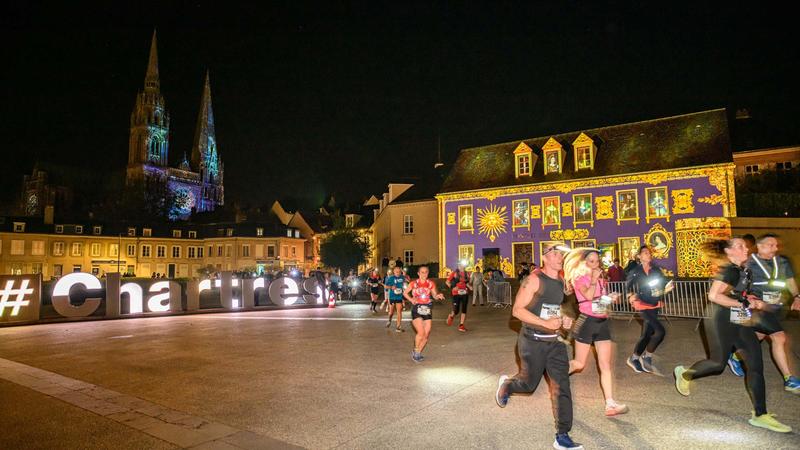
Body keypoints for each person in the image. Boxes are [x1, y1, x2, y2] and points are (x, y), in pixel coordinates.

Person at [674, 237, 791, 433]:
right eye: (740, 246)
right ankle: (685, 374)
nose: (745, 248)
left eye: (745, 246)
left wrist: (751, 300)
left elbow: (739, 294)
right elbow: (714, 295)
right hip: (719, 320)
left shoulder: (744, 270)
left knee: (755, 364)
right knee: (717, 364)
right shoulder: (728, 269)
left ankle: (760, 414)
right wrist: (742, 304)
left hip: (740, 320)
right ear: (729, 252)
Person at [495, 244, 582, 450]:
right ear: (544, 257)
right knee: (528, 385)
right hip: (532, 341)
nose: (559, 257)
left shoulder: (561, 281)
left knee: (562, 386)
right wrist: (545, 324)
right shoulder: (534, 280)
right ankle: (508, 384)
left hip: (554, 342)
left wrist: (564, 320)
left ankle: (562, 435)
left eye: (561, 254)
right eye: (555, 253)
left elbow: (553, 309)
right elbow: (517, 311)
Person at [727, 234, 800, 393]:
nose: (775, 248)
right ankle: (790, 379)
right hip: (757, 308)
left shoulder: (782, 262)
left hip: (775, 308)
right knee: (779, 337)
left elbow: (789, 281)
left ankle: (735, 356)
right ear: (760, 246)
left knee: (759, 335)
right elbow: (735, 286)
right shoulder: (748, 263)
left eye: (776, 245)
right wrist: (746, 296)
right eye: (770, 245)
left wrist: (797, 297)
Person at [564, 248, 628, 417]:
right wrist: (593, 279)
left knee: (606, 366)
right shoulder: (579, 278)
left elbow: (599, 303)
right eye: (590, 261)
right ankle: (555, 375)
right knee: (579, 364)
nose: (595, 264)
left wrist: (610, 298)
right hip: (586, 322)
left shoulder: (600, 280)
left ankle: (610, 404)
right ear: (584, 262)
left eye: (596, 261)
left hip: (602, 323)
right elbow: (588, 296)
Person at [625, 245, 673, 375]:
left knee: (647, 334)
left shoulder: (656, 270)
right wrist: (630, 296)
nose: (648, 254)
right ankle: (647, 356)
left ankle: (634, 358)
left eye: (649, 252)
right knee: (660, 331)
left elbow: (663, 283)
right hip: (641, 304)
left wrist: (667, 287)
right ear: (639, 256)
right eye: (645, 252)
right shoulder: (635, 271)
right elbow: (627, 286)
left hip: (654, 303)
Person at [405, 266, 445, 362]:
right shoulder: (413, 283)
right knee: (421, 332)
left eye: (426, 272)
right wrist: (411, 299)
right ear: (418, 273)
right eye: (422, 272)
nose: (424, 274)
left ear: (428, 273)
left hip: (427, 309)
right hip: (417, 309)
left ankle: (417, 352)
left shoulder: (430, 284)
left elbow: (434, 296)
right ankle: (416, 351)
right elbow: (405, 293)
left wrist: (438, 295)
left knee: (426, 335)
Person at [446, 263, 472, 332]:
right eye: (459, 265)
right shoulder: (454, 273)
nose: (461, 267)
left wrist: (469, 287)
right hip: (456, 294)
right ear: (458, 266)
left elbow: (466, 282)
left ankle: (461, 325)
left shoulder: (467, 274)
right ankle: (451, 316)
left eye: (462, 265)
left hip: (464, 293)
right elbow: (447, 282)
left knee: (464, 309)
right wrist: (453, 287)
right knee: (456, 310)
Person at [385, 266, 407, 332]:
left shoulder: (402, 277)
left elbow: (406, 282)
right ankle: (389, 320)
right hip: (392, 297)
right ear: (394, 272)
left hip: (399, 297)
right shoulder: (391, 278)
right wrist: (391, 287)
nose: (398, 273)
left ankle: (398, 327)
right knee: (391, 312)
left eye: (399, 272)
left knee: (399, 311)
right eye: (396, 272)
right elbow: (386, 286)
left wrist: (405, 285)